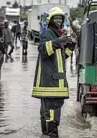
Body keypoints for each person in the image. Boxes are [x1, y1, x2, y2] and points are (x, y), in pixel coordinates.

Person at [31, 7, 76, 137]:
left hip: (56, 81)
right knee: (52, 112)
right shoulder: (48, 33)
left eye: (60, 19)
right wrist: (60, 41)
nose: (58, 21)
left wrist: (71, 46)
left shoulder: (57, 34)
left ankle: (46, 134)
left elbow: (61, 57)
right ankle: (52, 134)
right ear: (50, 20)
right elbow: (43, 49)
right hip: (50, 83)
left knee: (48, 112)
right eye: (56, 18)